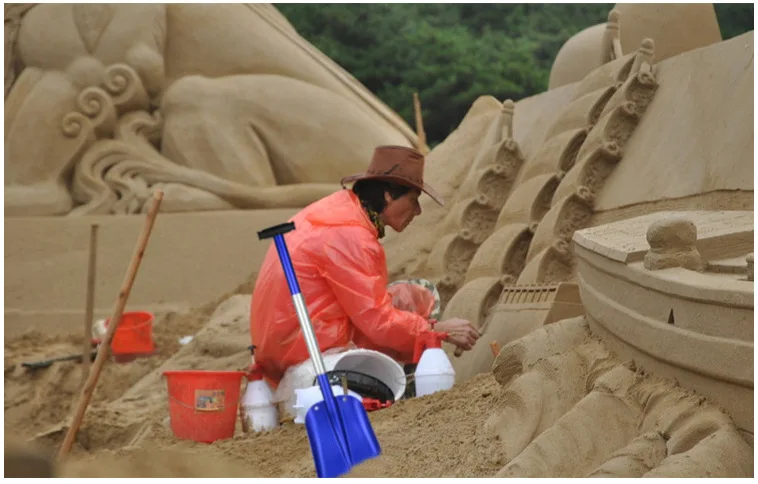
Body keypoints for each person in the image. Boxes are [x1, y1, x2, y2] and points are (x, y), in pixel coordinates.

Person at [250, 145, 480, 387]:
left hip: (279, 346)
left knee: (406, 296)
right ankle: (413, 386)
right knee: (421, 297)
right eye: (413, 200)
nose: (418, 211)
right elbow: (379, 322)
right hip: (307, 349)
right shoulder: (351, 235)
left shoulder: (333, 211)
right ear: (388, 195)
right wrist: (437, 330)